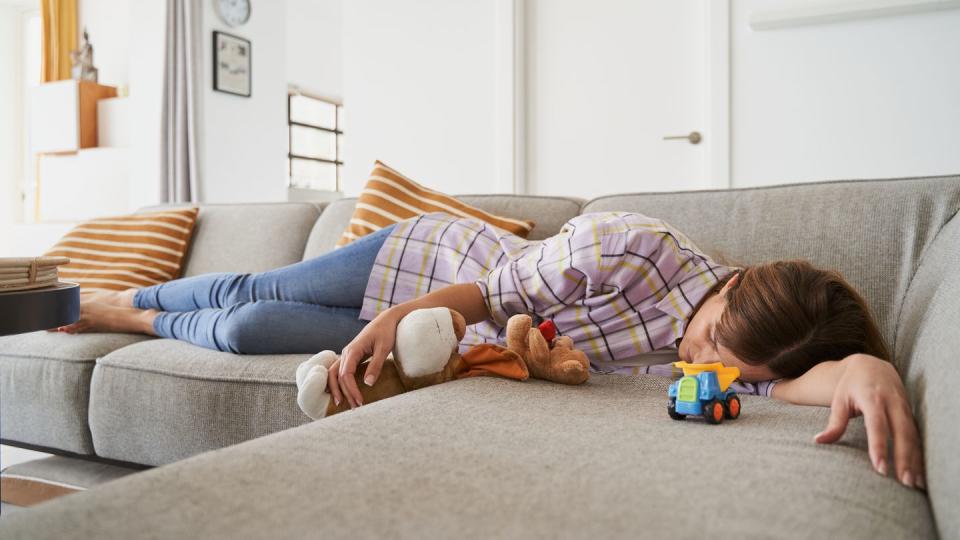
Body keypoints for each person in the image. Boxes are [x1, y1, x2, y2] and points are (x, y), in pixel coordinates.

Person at [61, 211, 924, 489]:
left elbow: (782, 390)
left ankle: (141, 319)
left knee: (250, 331)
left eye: (732, 371)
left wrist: (861, 368)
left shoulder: (742, 366)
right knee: (255, 290)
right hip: (428, 269)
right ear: (735, 282)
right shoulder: (631, 248)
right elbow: (486, 297)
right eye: (706, 336)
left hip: (445, 353)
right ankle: (126, 304)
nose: (697, 359)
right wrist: (384, 322)